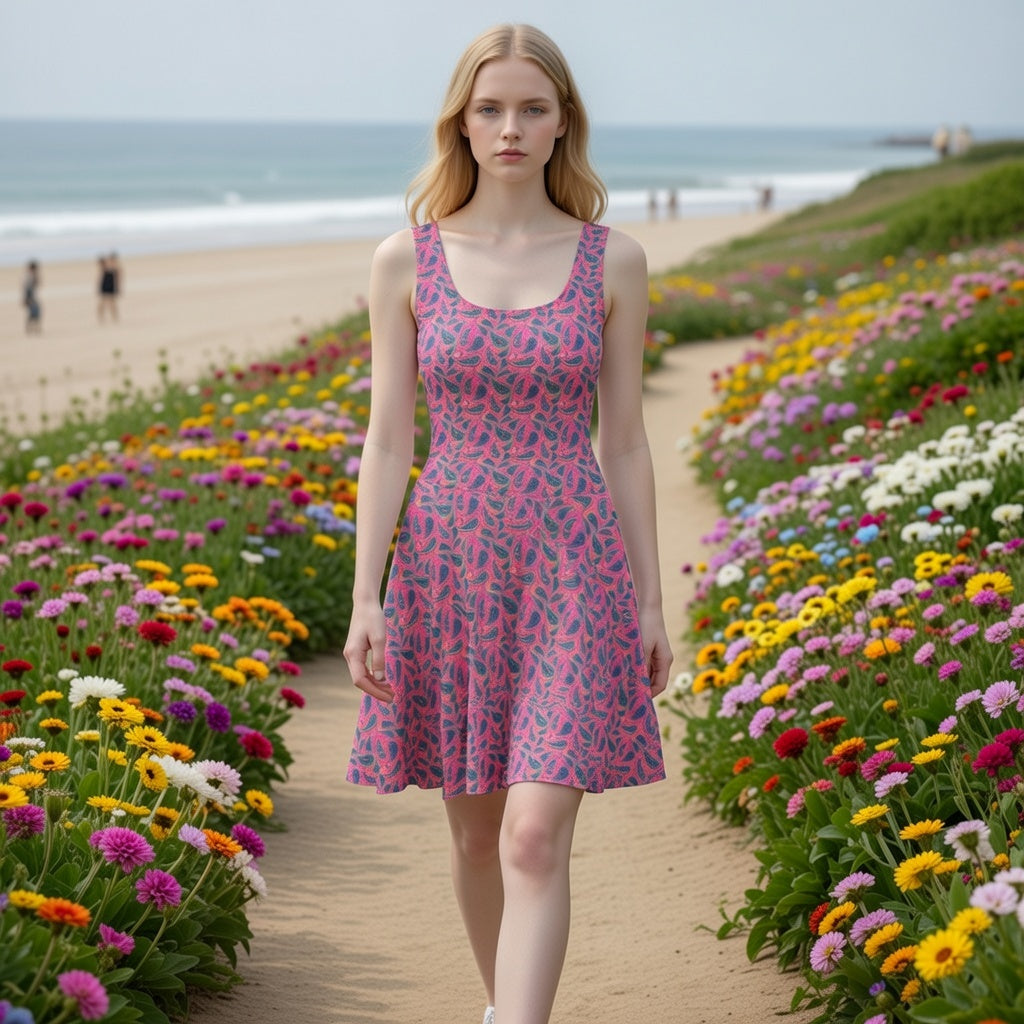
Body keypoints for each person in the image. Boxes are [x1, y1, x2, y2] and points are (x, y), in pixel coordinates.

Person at [343, 23, 671, 1024]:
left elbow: (623, 441)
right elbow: (389, 439)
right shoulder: (407, 259)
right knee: (478, 840)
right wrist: (365, 596)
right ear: (461, 123)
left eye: (532, 107)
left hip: (573, 567)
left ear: (563, 119)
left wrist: (651, 599)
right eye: (489, 108)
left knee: (533, 834)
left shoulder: (613, 261)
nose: (510, 127)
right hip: (447, 564)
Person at [97, 251, 120, 322]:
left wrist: (117, 287)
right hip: (105, 286)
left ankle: (115, 318)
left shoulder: (116, 268)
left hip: (111, 286)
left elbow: (118, 278)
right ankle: (101, 318)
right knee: (103, 303)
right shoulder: (105, 266)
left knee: (112, 303)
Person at [22, 260, 41, 334]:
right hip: (30, 297)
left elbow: (37, 284)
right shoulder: (28, 276)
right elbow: (27, 289)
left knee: (36, 312)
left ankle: (35, 328)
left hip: (32, 297)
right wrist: (26, 299)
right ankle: (30, 329)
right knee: (33, 313)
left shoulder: (31, 276)